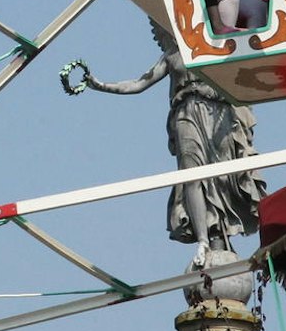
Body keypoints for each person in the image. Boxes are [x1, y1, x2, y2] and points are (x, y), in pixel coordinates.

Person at [61, 22, 263, 302]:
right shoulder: (173, 55)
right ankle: (204, 240)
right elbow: (138, 83)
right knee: (191, 176)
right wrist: (99, 84)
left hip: (219, 116)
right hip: (187, 114)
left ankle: (220, 234)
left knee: (222, 178)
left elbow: (245, 73)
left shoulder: (217, 44)